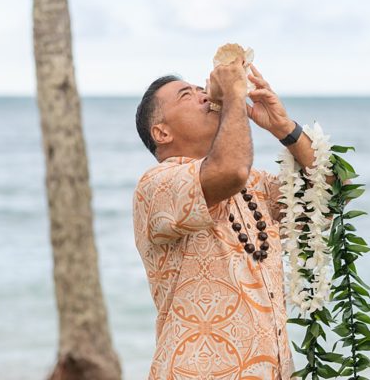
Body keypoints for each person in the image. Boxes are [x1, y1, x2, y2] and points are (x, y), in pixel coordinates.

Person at [132, 57, 329, 379]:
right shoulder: (156, 185)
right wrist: (235, 95)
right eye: (187, 95)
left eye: (202, 89)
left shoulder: (256, 186)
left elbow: (333, 193)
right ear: (162, 132)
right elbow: (230, 170)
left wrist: (284, 128)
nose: (206, 96)